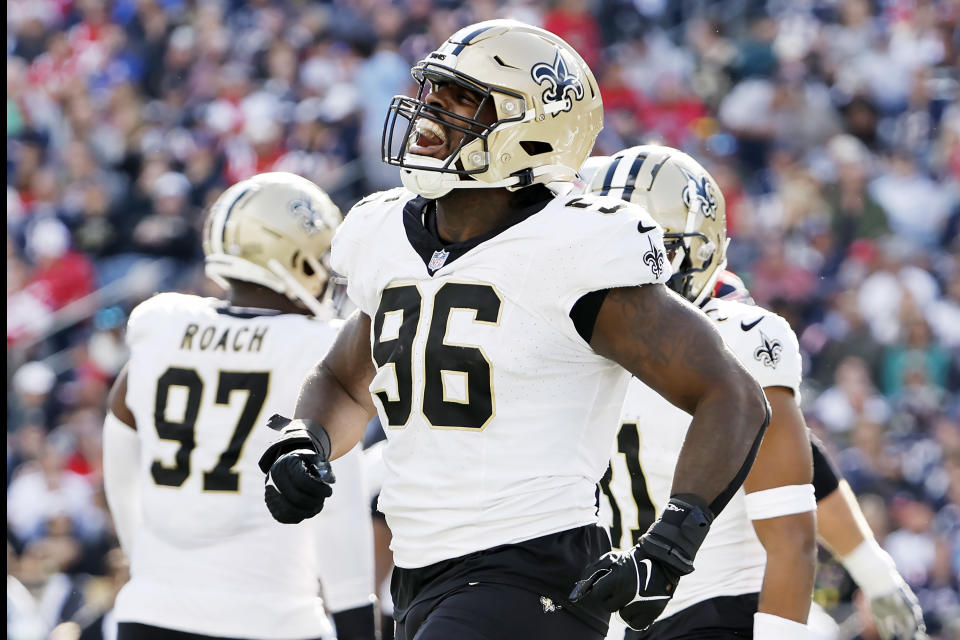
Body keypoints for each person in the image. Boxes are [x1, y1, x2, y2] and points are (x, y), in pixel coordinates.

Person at [257, 20, 770, 640]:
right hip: (420, 570)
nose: (431, 109)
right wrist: (305, 440)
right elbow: (345, 380)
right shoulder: (387, 233)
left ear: (531, 132)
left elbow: (732, 394)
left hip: (536, 569)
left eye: (462, 98)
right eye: (432, 92)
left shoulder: (574, 246)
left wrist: (668, 546)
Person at [583, 145, 926, 640]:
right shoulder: (570, 337)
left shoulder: (732, 332)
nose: (623, 271)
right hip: (621, 616)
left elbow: (791, 481)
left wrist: (874, 573)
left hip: (716, 602)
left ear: (694, 252)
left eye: (645, 252)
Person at [102, 172, 376, 640]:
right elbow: (339, 506)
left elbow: (119, 443)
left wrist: (144, 556)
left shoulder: (162, 325)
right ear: (292, 254)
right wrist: (355, 623)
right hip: (270, 617)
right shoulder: (313, 347)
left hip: (152, 611)